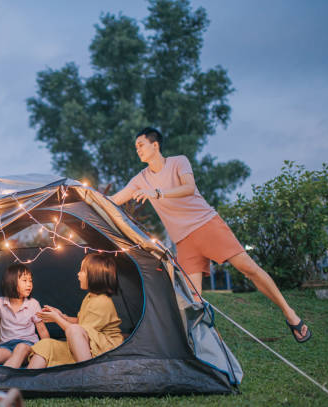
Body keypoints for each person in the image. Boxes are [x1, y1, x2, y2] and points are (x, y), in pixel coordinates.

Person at [110, 127, 311, 343]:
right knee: (194, 299)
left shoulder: (178, 162)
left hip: (206, 225)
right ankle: (211, 349)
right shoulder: (140, 179)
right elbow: (113, 200)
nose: (137, 149)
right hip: (184, 241)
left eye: (140, 145)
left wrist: (157, 193)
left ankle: (290, 314)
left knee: (248, 268)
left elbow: (189, 187)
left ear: (155, 145)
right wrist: (77, 194)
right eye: (136, 147)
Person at [27, 253, 123, 368]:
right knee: (45, 345)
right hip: (87, 345)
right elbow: (81, 322)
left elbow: (77, 331)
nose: (78, 274)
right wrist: (62, 316)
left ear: (94, 274)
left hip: (103, 348)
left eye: (82, 271)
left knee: (74, 330)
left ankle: (86, 373)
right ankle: (28, 381)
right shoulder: (89, 297)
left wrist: (57, 319)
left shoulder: (102, 301)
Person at [0, 264, 50, 368]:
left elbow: (41, 329)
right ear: (11, 282)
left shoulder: (33, 304)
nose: (29, 284)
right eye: (25, 280)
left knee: (21, 347)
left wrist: (47, 349)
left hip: (28, 346)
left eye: (30, 281)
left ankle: (5, 378)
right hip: (7, 346)